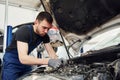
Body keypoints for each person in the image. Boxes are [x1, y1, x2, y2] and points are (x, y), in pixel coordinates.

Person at [2, 11, 62, 80]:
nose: (46, 31)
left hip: (26, 62)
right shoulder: (24, 31)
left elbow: (52, 54)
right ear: (36, 22)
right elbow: (23, 58)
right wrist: (48, 61)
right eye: (44, 27)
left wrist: (59, 61)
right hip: (12, 61)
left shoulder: (44, 35)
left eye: (48, 29)